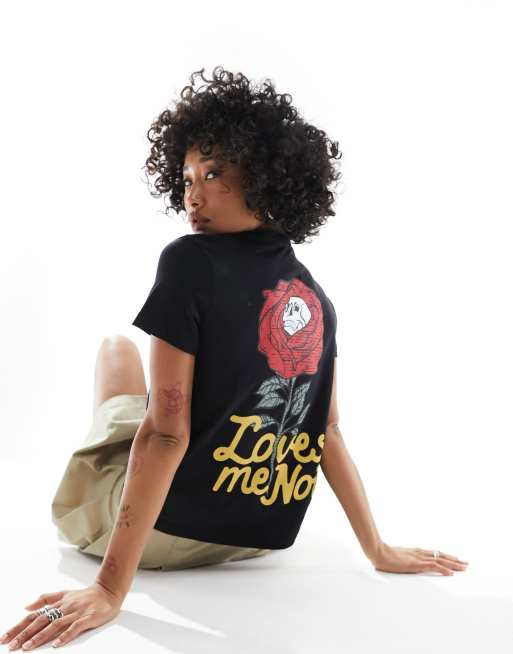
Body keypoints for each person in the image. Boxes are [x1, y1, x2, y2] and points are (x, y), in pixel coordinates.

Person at [2, 66, 468, 651]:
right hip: (255, 540)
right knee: (157, 400)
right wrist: (376, 548)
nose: (192, 195)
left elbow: (166, 435)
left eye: (213, 173)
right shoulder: (315, 298)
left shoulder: (187, 261)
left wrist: (109, 589)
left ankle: (110, 448)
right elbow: (327, 432)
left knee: (117, 353)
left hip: (163, 535)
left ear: (266, 176)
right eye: (186, 178)